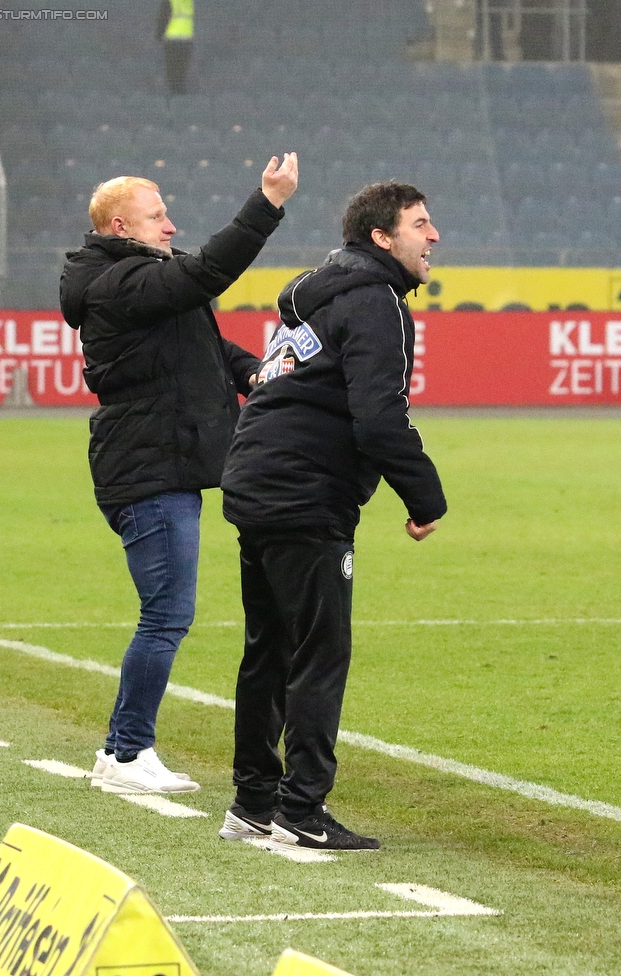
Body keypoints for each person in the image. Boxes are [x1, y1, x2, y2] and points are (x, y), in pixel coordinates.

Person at [59, 153, 298, 795]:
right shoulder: (122, 285)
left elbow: (204, 343)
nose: (170, 226)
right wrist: (266, 203)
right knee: (165, 614)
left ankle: (122, 751)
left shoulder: (134, 279)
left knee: (165, 611)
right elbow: (209, 273)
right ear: (119, 226)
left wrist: (251, 372)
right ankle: (128, 753)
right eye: (156, 216)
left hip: (159, 465)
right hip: (149, 470)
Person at [218, 181, 447, 850]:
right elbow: (378, 419)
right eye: (421, 224)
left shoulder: (314, 300)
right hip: (303, 491)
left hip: (255, 476)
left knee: (270, 649)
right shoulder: (374, 303)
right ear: (382, 238)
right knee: (320, 651)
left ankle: (253, 802)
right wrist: (424, 497)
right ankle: (300, 808)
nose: (433, 236)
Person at [156, 0, 194, 95]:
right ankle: (181, 96)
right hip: (186, 40)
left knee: (172, 70)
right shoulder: (188, 2)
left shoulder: (170, 1)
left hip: (172, 40)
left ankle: (174, 96)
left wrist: (158, 35)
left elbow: (163, 17)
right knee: (182, 70)